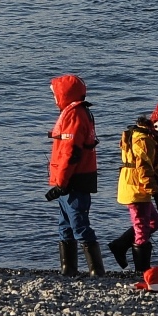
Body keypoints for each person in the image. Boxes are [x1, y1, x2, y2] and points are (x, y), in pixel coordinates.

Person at [47, 73, 103, 277]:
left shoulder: (74, 115)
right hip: (72, 180)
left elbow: (70, 152)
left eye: (56, 94)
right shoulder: (79, 112)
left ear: (65, 94)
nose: (54, 99)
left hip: (73, 181)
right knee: (65, 225)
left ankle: (96, 271)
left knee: (78, 224)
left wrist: (61, 183)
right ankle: (68, 269)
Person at [111, 102, 158, 274]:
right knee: (142, 228)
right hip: (137, 188)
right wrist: (156, 193)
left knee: (153, 222)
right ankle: (142, 271)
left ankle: (120, 245)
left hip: (133, 185)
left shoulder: (136, 135)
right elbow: (144, 169)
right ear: (157, 126)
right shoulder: (144, 142)